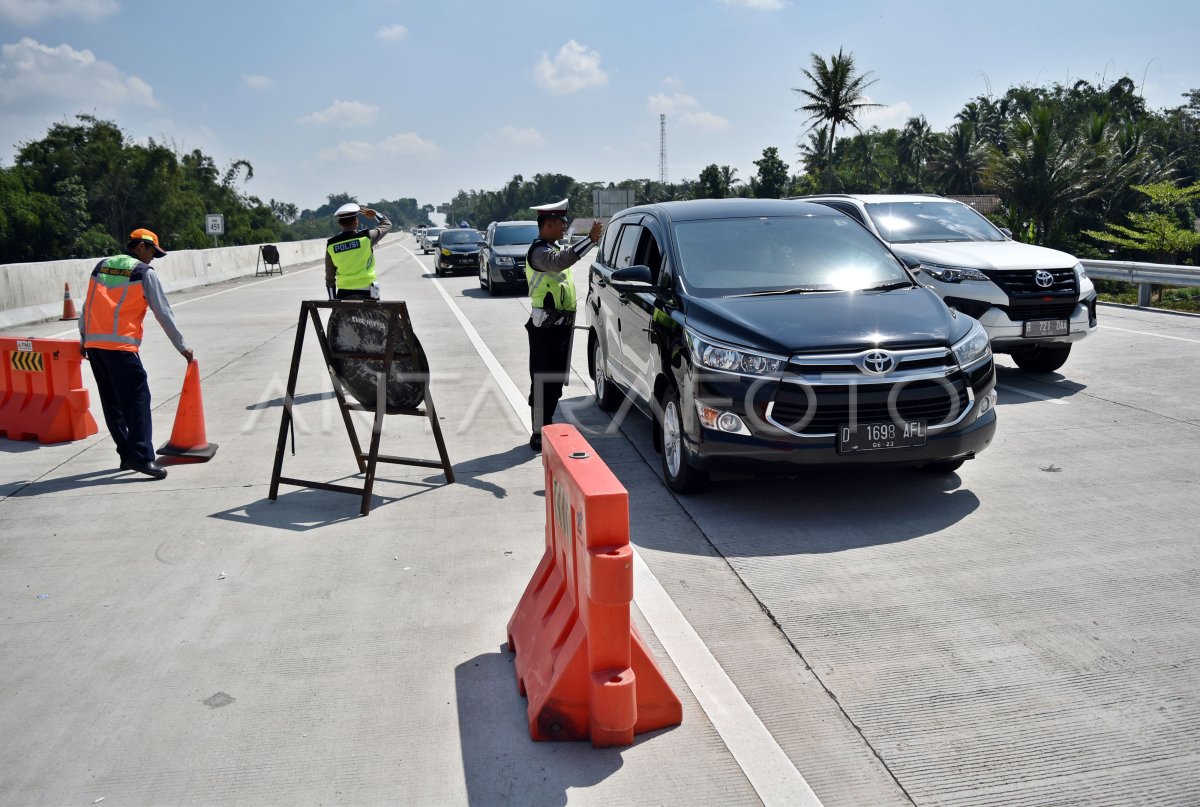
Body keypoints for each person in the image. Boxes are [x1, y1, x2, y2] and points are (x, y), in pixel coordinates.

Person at [79, 228, 193, 479]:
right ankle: (141, 457)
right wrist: (181, 345)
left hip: (96, 346)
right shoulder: (143, 272)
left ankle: (126, 454)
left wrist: (83, 337)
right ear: (141, 247)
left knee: (113, 404)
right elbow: (163, 311)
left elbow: (88, 305)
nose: (153, 257)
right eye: (153, 251)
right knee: (138, 401)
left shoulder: (102, 266)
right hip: (121, 348)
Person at [525, 199, 603, 452]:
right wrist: (590, 240)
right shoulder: (539, 252)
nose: (564, 227)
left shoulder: (551, 247)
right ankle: (538, 432)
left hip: (559, 329)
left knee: (555, 383)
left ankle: (546, 425)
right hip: (544, 329)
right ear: (548, 224)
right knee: (542, 381)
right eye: (561, 223)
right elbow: (560, 261)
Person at [325, 202, 392, 300]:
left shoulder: (331, 245)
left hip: (344, 292)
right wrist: (375, 214)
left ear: (340, 223)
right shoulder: (367, 237)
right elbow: (387, 224)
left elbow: (329, 276)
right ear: (356, 222)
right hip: (368, 291)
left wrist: (333, 301)